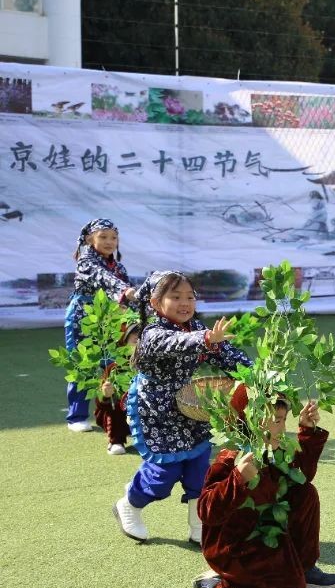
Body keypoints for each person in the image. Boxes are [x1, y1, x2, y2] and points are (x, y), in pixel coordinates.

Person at [112, 271, 253, 543]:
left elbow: (226, 354)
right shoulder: (153, 331)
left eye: (190, 296)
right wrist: (206, 339)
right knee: (164, 473)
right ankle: (130, 503)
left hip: (189, 403)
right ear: (155, 303)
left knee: (199, 467)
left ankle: (200, 527)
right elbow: (176, 343)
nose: (184, 302)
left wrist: (256, 375)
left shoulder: (196, 328)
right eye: (175, 297)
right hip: (156, 408)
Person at [194, 387, 335, 588]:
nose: (283, 427)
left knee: (305, 493)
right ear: (252, 421)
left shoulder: (275, 447)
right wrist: (237, 479)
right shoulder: (233, 456)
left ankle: (304, 566)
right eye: (277, 420)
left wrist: (307, 431)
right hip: (236, 545)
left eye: (283, 420)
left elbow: (302, 476)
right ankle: (219, 583)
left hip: (269, 530)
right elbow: (207, 511)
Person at [65, 219, 137, 432]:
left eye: (113, 237)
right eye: (103, 237)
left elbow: (124, 295)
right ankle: (76, 416)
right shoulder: (86, 262)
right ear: (89, 239)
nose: (109, 241)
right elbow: (105, 279)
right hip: (84, 316)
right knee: (83, 363)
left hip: (111, 318)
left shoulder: (119, 266)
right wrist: (127, 292)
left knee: (116, 363)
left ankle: (117, 415)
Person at [95, 323, 142, 456]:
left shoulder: (154, 365)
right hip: (122, 413)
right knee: (114, 405)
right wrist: (105, 394)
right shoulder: (114, 368)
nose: (137, 338)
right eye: (133, 336)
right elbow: (100, 403)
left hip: (147, 411)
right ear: (124, 341)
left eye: (141, 337)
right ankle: (116, 440)